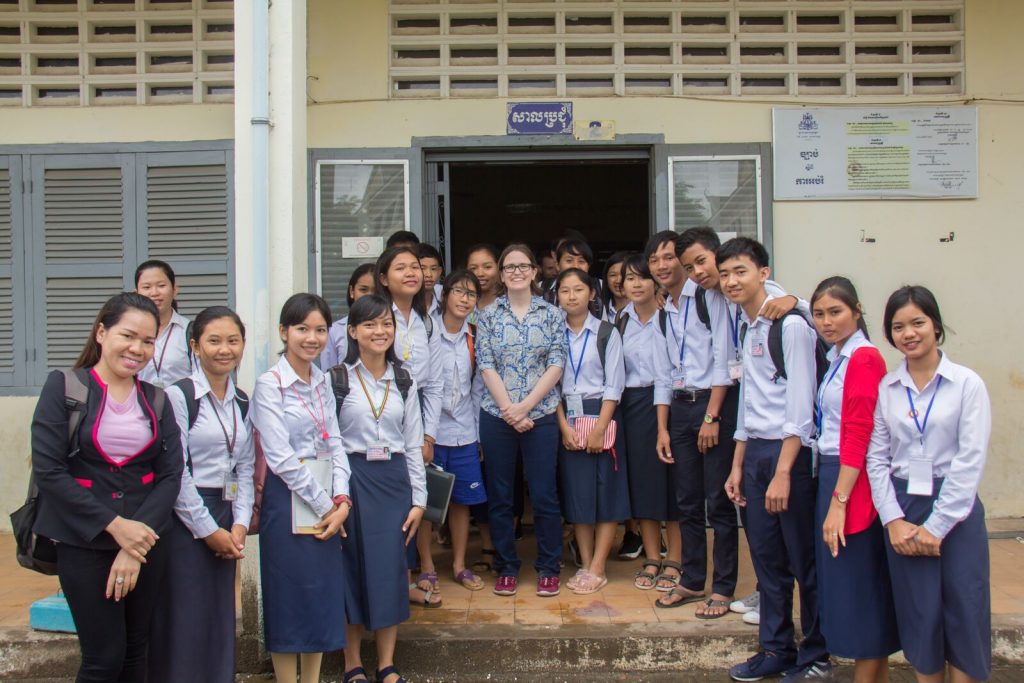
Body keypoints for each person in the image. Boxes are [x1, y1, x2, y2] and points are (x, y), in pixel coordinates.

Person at [31, 292, 184, 683]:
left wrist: (137, 543)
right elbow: (50, 471)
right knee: (103, 659)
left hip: (147, 543)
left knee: (136, 651)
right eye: (128, 336)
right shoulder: (65, 387)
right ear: (102, 332)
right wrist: (116, 528)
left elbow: (170, 474)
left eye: (148, 341)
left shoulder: (157, 400)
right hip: (84, 542)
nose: (137, 349)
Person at [676, 226, 807, 626]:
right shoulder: (712, 297)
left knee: (770, 521)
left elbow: (800, 308)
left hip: (773, 425)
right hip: (746, 412)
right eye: (691, 267)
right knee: (748, 512)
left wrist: (794, 300)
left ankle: (770, 602)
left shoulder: (774, 305)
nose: (700, 272)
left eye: (702, 262)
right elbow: (722, 354)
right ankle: (767, 592)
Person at [866, 286, 991, 683]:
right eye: (898, 326)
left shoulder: (967, 384)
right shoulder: (888, 388)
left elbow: (970, 461)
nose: (909, 333)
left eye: (918, 322)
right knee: (920, 613)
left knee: (964, 608)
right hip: (904, 506)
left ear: (936, 325)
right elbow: (876, 458)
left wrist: (937, 527)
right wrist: (893, 520)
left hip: (956, 508)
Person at [717, 238, 829, 682]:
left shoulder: (791, 326)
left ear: (763, 273)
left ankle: (817, 654)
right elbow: (749, 401)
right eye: (725, 274)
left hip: (790, 456)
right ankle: (776, 649)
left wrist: (783, 472)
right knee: (767, 562)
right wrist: (738, 465)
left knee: (804, 560)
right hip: (757, 453)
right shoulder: (747, 327)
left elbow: (800, 407)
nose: (731, 281)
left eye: (740, 271)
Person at [148, 306, 256, 683]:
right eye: (213, 340)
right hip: (186, 518)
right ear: (195, 346)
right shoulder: (178, 397)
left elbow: (245, 466)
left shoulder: (242, 400)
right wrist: (209, 531)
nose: (224, 349)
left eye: (233, 340)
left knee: (217, 613)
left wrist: (240, 524)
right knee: (184, 612)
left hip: (227, 516)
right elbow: (176, 472)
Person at [250, 293, 351, 683]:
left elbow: (336, 442)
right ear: (283, 332)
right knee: (288, 596)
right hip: (287, 500)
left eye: (320, 329)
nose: (312, 338)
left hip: (326, 498)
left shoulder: (322, 380)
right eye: (302, 329)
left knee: (319, 596)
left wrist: (342, 499)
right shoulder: (269, 384)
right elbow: (280, 457)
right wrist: (328, 505)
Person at [809, 277, 899, 682]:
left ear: (857, 311)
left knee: (859, 584)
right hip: (834, 473)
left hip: (850, 479)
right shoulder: (838, 356)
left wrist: (839, 501)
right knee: (849, 585)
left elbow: (859, 433)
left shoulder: (863, 357)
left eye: (835, 312)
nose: (826, 322)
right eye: (819, 314)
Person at [336, 295, 428, 683]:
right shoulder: (336, 379)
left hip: (393, 483)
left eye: (386, 323)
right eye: (369, 324)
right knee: (351, 570)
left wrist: (419, 499)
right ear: (353, 331)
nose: (380, 331)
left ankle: (386, 664)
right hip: (352, 480)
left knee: (391, 570)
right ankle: (352, 663)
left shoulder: (404, 378)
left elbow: (412, 442)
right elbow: (331, 443)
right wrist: (337, 494)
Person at [652, 229, 738, 617]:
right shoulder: (664, 309)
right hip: (681, 409)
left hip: (710, 406)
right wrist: (663, 427)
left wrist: (712, 416)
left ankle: (722, 587)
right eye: (655, 260)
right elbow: (663, 374)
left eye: (671, 258)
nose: (663, 266)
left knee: (717, 503)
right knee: (686, 502)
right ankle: (690, 579)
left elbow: (723, 360)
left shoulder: (709, 298)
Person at [477, 243, 566, 597]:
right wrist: (509, 411)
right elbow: (486, 363)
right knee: (500, 495)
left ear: (534, 272)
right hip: (497, 416)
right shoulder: (487, 315)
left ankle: (548, 566)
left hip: (540, 414)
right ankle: (506, 567)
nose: (516, 271)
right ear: (501, 275)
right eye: (509, 267)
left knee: (544, 494)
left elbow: (556, 363)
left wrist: (525, 407)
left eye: (523, 266)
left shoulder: (551, 314)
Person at [374, 246, 443, 603]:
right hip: (379, 426)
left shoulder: (424, 321)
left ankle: (403, 585)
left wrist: (427, 434)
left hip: (414, 427)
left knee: (411, 504)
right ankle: (392, 587)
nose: (412, 273)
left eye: (415, 267)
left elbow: (431, 385)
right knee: (385, 512)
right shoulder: (376, 318)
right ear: (384, 279)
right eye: (400, 268)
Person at [554, 268, 628, 594]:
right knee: (578, 495)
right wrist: (562, 428)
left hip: (602, 416)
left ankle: (599, 566)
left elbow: (615, 385)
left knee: (606, 494)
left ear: (592, 294)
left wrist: (600, 429)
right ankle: (585, 563)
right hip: (568, 418)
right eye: (565, 290)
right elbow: (550, 386)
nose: (572, 296)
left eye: (578, 290)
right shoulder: (554, 334)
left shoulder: (607, 333)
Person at [615, 253, 680, 588]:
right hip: (632, 406)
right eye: (629, 278)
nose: (636, 284)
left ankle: (677, 560)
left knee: (671, 485)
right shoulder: (620, 320)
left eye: (642, 277)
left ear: (655, 282)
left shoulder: (670, 319)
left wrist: (663, 426)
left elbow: (667, 377)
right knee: (642, 484)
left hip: (665, 404)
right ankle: (653, 558)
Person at [429, 270, 488, 591]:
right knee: (425, 502)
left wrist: (478, 434)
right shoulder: (427, 333)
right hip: (432, 432)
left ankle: (459, 565)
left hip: (464, 430)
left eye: (471, 294)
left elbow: (478, 389)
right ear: (445, 295)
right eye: (459, 292)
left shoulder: (474, 336)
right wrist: (423, 435)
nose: (465, 299)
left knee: (462, 502)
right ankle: (426, 566)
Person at [135, 260, 191, 387]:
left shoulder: (190, 331)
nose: (154, 293)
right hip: (140, 404)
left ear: (175, 289)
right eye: (146, 287)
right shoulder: (130, 332)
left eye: (161, 285)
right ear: (136, 293)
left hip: (181, 405)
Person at [321, 263, 375, 369]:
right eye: (363, 290)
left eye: (376, 291)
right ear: (352, 291)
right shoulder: (334, 331)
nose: (369, 296)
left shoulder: (391, 328)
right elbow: (328, 373)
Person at [466, 243, 502, 316]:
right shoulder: (461, 303)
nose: (480, 274)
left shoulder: (509, 303)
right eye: (473, 268)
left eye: (487, 267)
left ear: (499, 268)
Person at [418, 243, 445, 319]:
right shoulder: (406, 306)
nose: (429, 274)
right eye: (422, 268)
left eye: (433, 269)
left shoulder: (445, 305)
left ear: (439, 271)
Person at [601, 251, 629, 323]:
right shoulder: (598, 312)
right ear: (606, 280)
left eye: (624, 274)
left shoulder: (645, 310)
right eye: (613, 275)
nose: (619, 280)